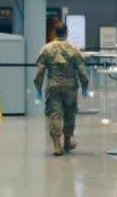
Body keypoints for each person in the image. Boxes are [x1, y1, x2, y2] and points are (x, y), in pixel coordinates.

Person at [34, 22, 89, 156]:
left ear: (54, 32)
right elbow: (82, 70)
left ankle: (56, 145)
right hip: (70, 86)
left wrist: (38, 88)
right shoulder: (73, 48)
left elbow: (40, 71)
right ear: (66, 32)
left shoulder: (47, 48)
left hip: (53, 85)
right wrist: (84, 85)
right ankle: (67, 142)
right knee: (70, 113)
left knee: (55, 114)